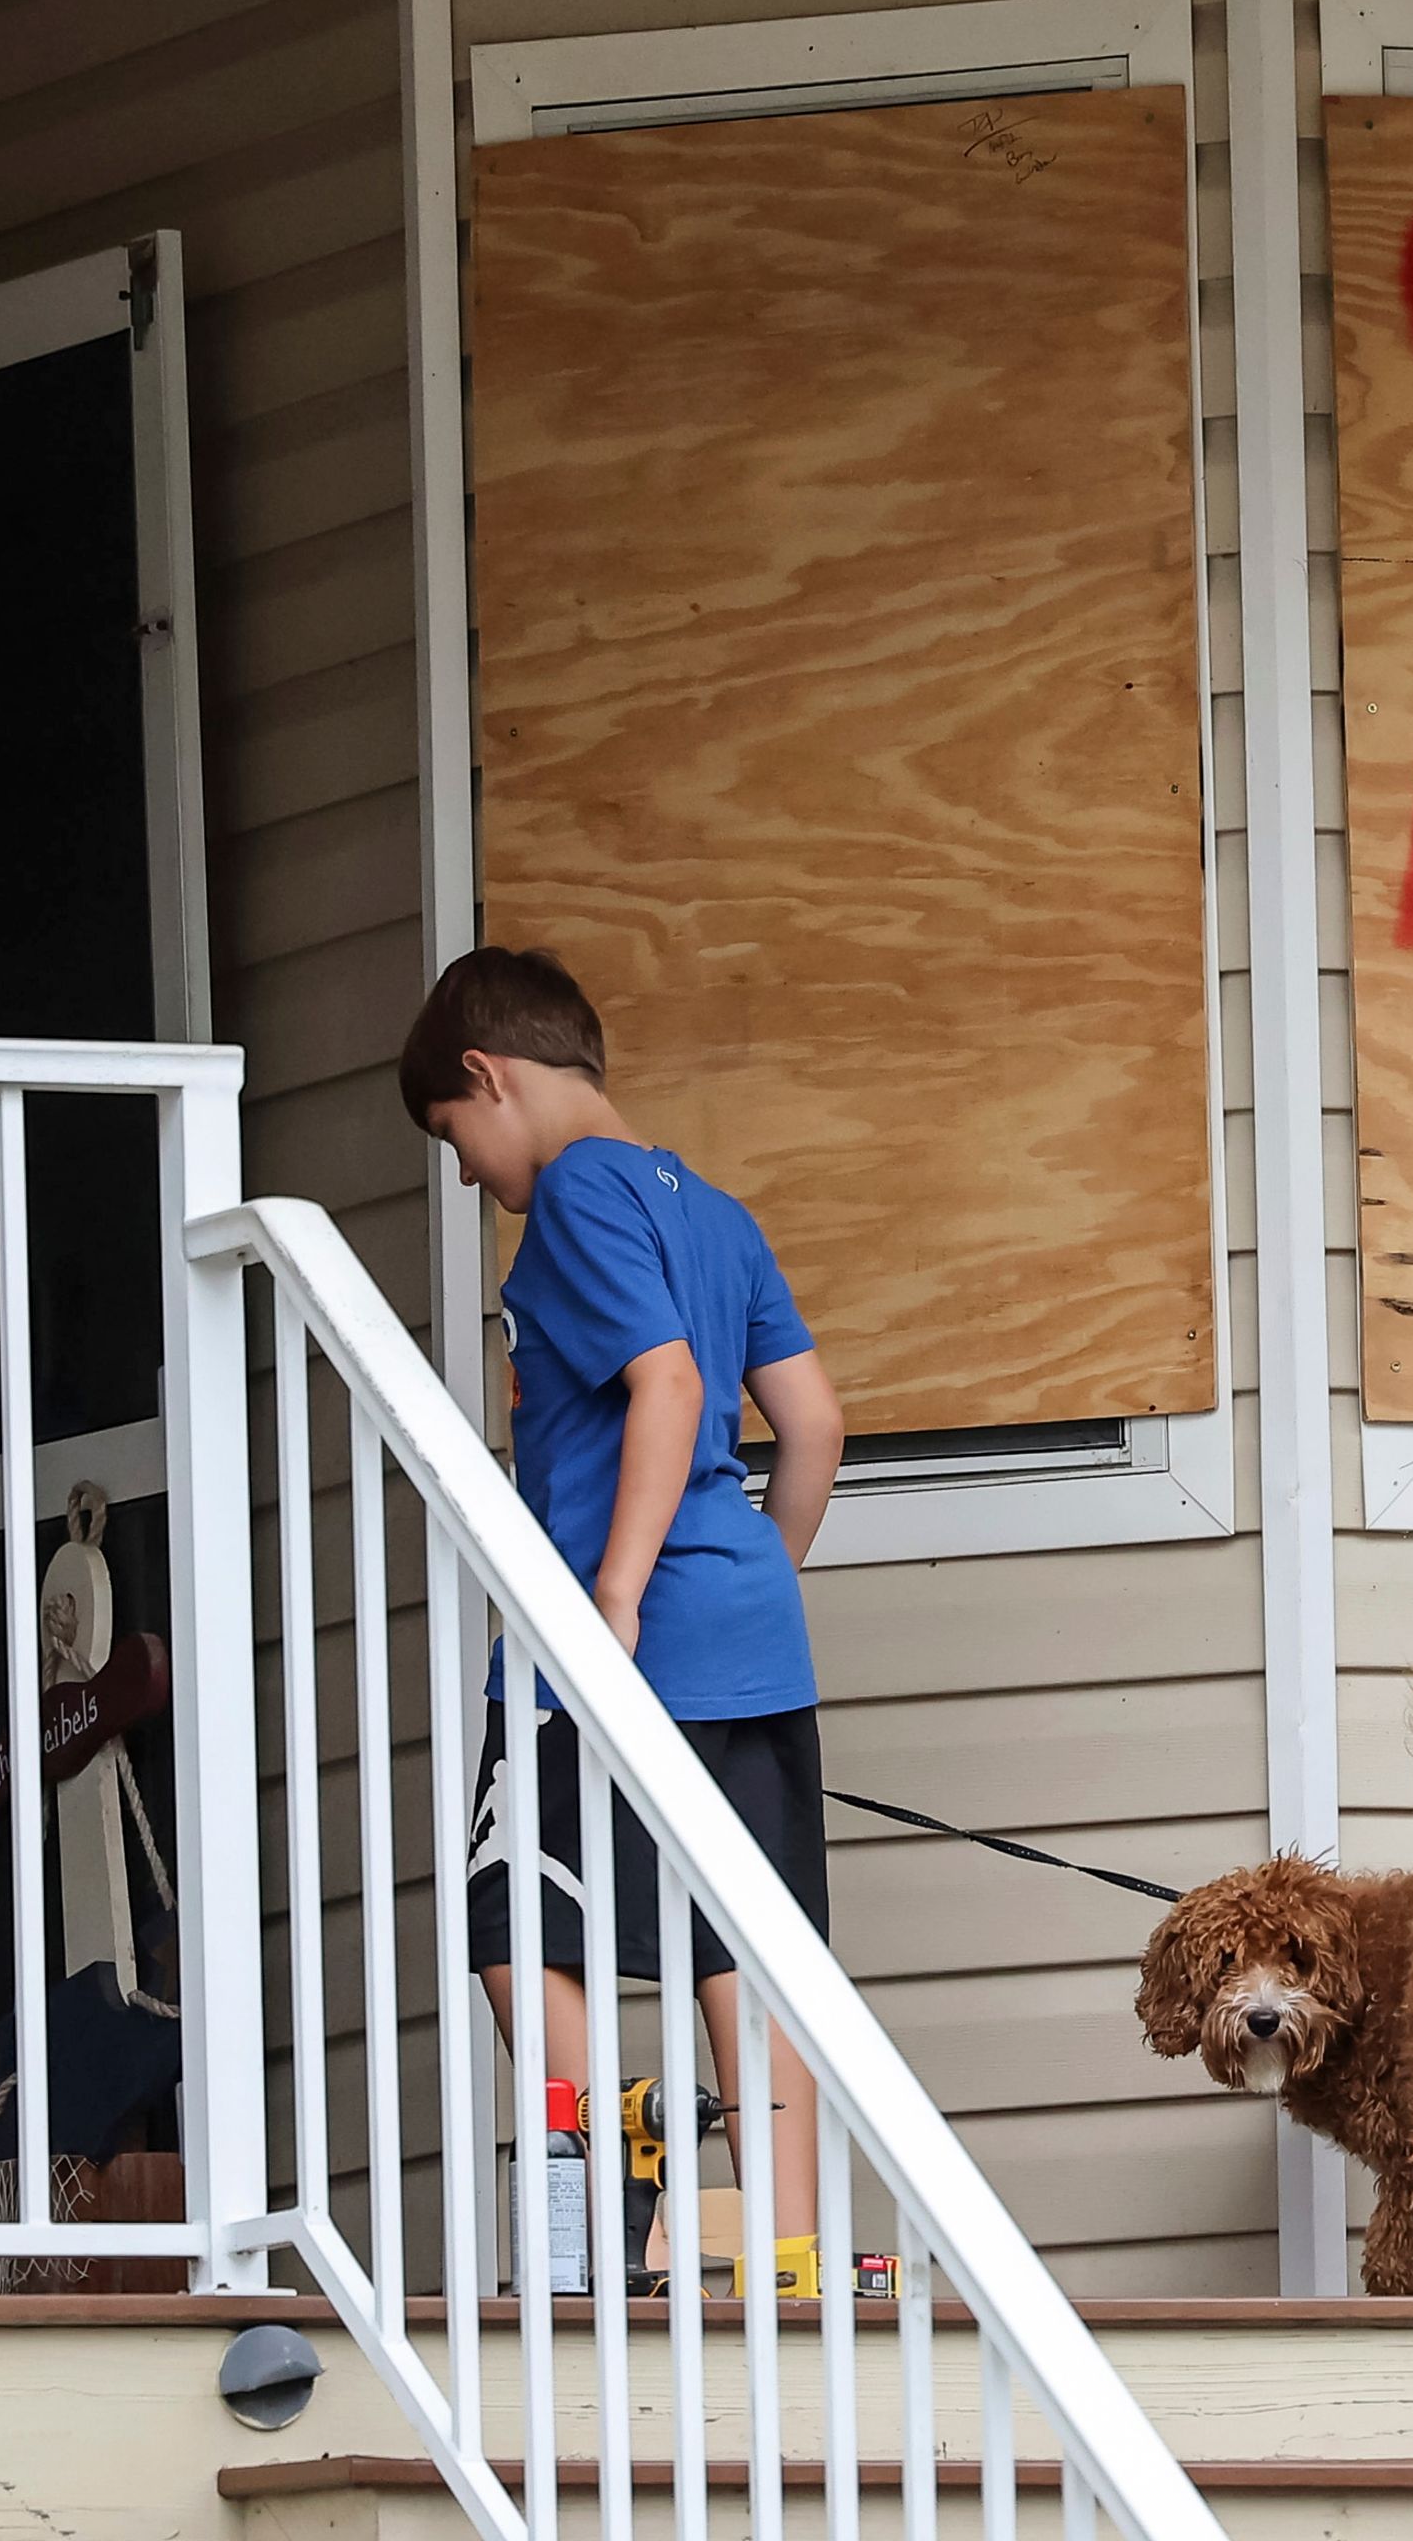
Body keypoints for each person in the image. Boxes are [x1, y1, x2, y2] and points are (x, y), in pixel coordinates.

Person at [398, 944, 846, 2287]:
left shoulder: (579, 1197)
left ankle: (611, 2196)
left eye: (457, 1141)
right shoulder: (714, 1210)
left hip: (607, 1645)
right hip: (748, 1635)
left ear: (488, 1077)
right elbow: (813, 1427)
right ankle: (785, 2250)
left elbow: (659, 1386)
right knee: (748, 1952)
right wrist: (743, 1585)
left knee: (515, 1922)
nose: (473, 1176)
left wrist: (617, 1597)